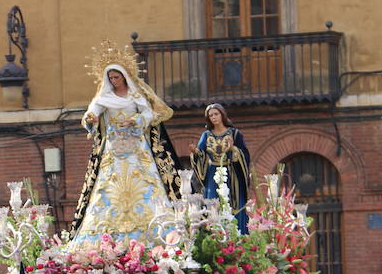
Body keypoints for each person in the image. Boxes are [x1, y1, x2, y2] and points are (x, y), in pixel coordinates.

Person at [69, 43, 181, 243]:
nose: (113, 81)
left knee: (145, 182)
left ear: (124, 76)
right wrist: (91, 120)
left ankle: (157, 230)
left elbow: (148, 113)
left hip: (137, 148)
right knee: (108, 185)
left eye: (116, 77)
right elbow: (91, 113)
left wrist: (136, 120)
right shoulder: (104, 97)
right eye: (110, 78)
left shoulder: (135, 95)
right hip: (114, 150)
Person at [190, 103, 252, 232]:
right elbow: (201, 154)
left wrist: (232, 149)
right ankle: (215, 235)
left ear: (222, 115)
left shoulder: (235, 134)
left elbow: (245, 155)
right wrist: (196, 152)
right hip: (212, 176)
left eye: (216, 114)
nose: (213, 117)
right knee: (213, 203)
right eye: (210, 115)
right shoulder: (206, 135)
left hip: (232, 175)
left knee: (232, 203)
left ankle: (236, 235)